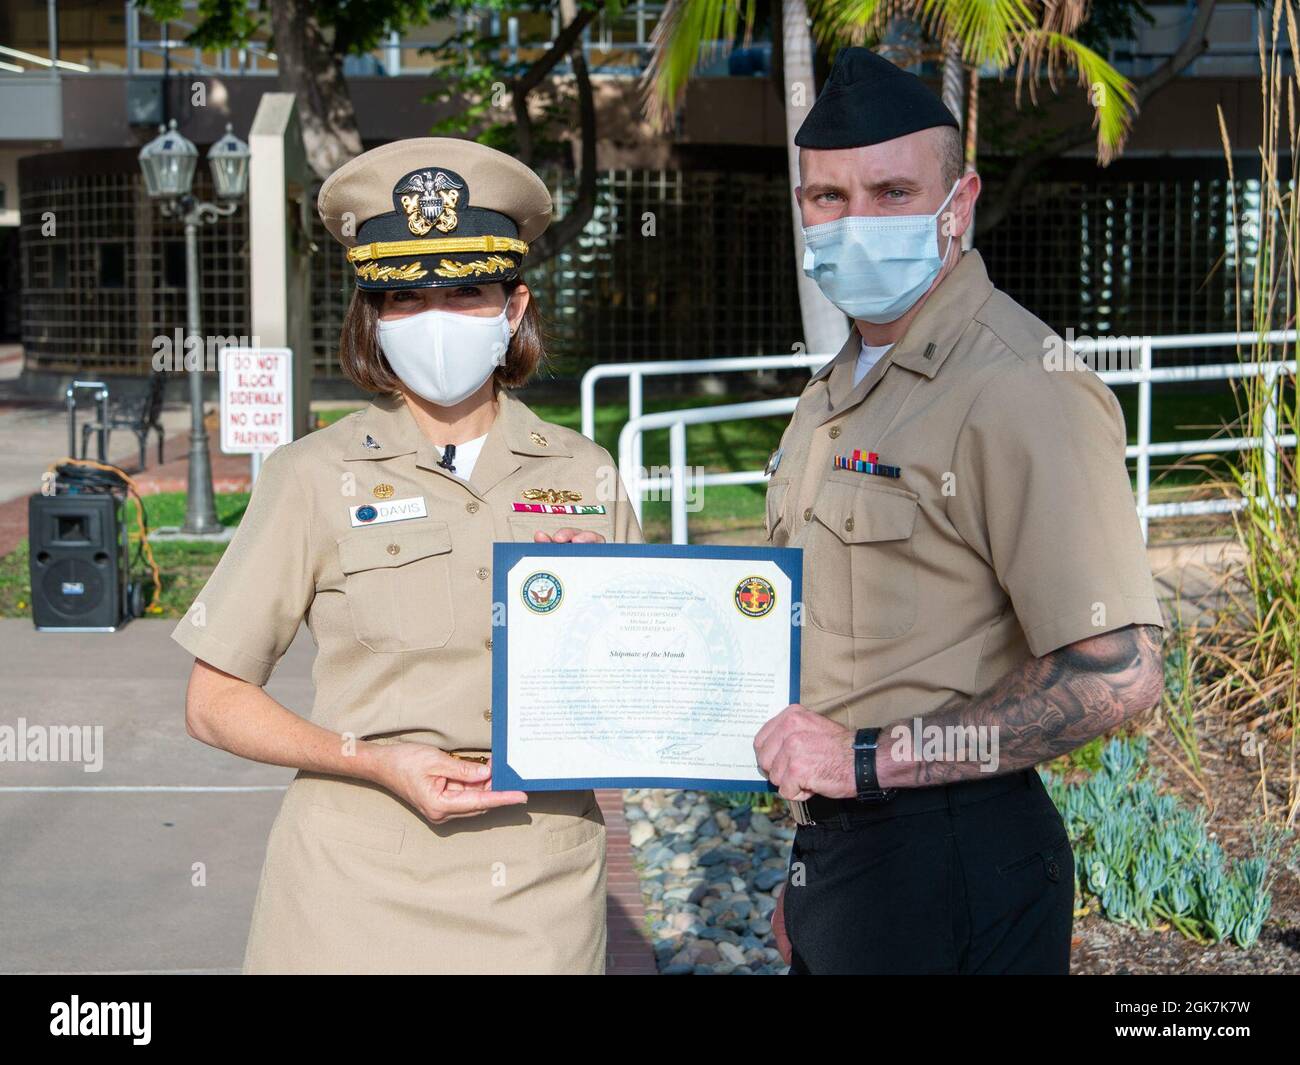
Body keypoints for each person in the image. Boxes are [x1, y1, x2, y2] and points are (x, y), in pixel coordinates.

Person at [173, 138, 641, 974]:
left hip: (536, 885)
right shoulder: (311, 474)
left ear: (514, 304)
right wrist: (373, 758)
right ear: (374, 316)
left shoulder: (586, 473)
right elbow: (214, 699)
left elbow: (647, 690)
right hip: (351, 890)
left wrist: (599, 616)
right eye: (406, 296)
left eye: (466, 292)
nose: (437, 318)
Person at [754, 49, 1165, 975]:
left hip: (956, 852)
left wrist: (866, 765)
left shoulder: (1022, 385)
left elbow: (1121, 673)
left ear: (959, 202)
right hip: (854, 856)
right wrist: (822, 875)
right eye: (827, 198)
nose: (853, 222)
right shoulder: (835, 390)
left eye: (892, 191)